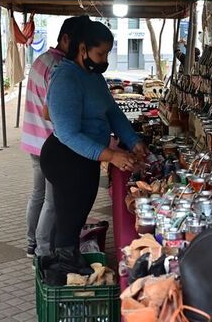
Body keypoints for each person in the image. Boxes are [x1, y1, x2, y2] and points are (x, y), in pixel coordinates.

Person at [39, 18, 147, 284]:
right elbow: (67, 133)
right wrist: (111, 155)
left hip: (86, 157)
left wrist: (132, 140)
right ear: (83, 48)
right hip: (65, 157)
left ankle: (67, 261)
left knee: (76, 214)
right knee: (69, 215)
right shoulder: (66, 78)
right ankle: (63, 271)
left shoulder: (93, 76)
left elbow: (112, 111)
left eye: (108, 53)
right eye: (101, 53)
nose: (104, 59)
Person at [21, 16, 84, 258]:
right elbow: (51, 111)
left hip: (33, 140)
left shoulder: (41, 60)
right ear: (66, 38)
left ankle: (31, 243)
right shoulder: (57, 67)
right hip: (49, 145)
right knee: (52, 201)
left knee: (38, 195)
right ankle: (42, 250)